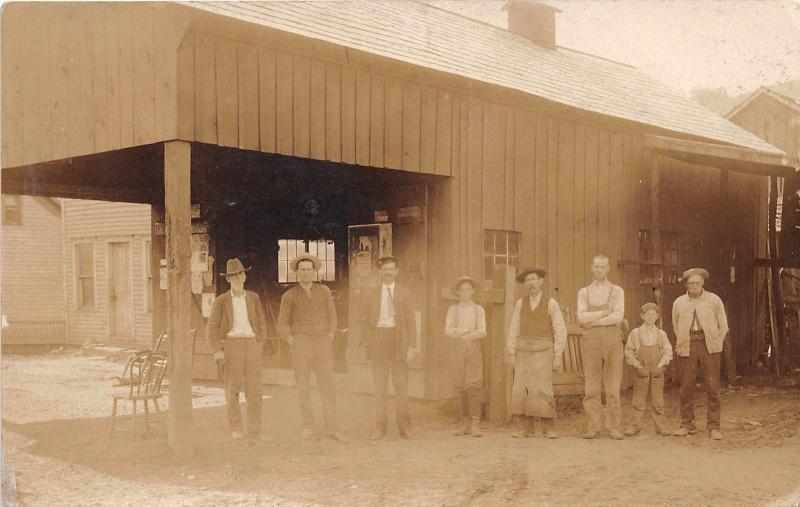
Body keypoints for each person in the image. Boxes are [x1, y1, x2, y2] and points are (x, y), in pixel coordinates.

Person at [277, 253, 346, 442]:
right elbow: (282, 324)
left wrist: (330, 335)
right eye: (302, 270)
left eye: (309, 269)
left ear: (314, 271)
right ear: (297, 273)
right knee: (304, 387)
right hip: (301, 344)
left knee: (327, 386)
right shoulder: (289, 295)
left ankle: (332, 428)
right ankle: (308, 426)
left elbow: (332, 315)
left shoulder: (323, 291)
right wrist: (292, 341)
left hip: (322, 342)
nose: (306, 273)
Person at [206, 258, 269, 441]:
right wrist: (217, 349)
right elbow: (211, 327)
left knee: (255, 390)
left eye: (239, 274)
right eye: (232, 276)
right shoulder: (221, 301)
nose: (237, 278)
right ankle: (236, 428)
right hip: (232, 346)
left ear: (244, 276)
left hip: (252, 345)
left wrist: (260, 341)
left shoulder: (253, 297)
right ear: (228, 279)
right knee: (232, 390)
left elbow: (261, 322)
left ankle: (255, 430)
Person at [361, 256, 420, 440]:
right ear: (380, 272)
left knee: (401, 388)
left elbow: (411, 323)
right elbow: (364, 321)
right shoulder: (371, 293)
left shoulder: (405, 293)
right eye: (384, 270)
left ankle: (405, 428)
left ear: (396, 271)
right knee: (380, 389)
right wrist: (370, 340)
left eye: (391, 269)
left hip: (399, 342)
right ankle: (379, 429)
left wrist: (412, 347)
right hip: (379, 341)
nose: (387, 273)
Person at [506, 267, 567, 439]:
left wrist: (557, 355)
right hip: (523, 349)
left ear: (541, 281)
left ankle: (549, 427)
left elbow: (560, 330)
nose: (531, 283)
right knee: (522, 387)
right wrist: (511, 351)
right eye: (528, 280)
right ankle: (526, 428)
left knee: (542, 387)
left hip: (543, 350)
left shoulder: (551, 303)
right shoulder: (520, 303)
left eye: (533, 279)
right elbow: (514, 328)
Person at [671, 267, 729, 440]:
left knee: (712, 387)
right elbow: (676, 325)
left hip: (708, 346)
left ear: (703, 283)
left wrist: (716, 341)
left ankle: (713, 426)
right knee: (686, 387)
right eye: (690, 284)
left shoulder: (714, 300)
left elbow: (723, 324)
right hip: (688, 345)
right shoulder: (679, 302)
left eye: (697, 283)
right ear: (686, 285)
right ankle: (686, 424)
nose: (694, 287)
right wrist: (684, 339)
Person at [577, 254, 625, 440]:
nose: (598, 270)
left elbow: (618, 317)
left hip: (612, 339)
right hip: (591, 342)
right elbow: (581, 317)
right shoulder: (584, 292)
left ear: (608, 268)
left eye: (602, 267)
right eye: (596, 267)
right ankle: (594, 426)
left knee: (613, 387)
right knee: (591, 386)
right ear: (591, 267)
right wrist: (606, 311)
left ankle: (614, 427)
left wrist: (594, 319)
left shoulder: (617, 291)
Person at [445, 276, 487, 437]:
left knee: (472, 385)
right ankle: (464, 423)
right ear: (458, 292)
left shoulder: (479, 310)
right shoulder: (452, 310)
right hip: (457, 349)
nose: (465, 292)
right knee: (459, 385)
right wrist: (464, 332)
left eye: (468, 289)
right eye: (462, 290)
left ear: (473, 291)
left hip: (473, 348)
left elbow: (483, 331)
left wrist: (464, 334)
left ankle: (475, 424)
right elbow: (448, 330)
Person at [623, 302, 673, 436]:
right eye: (647, 315)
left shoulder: (661, 334)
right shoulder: (635, 333)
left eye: (653, 314)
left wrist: (660, 365)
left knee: (658, 400)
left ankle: (661, 426)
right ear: (642, 316)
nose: (650, 317)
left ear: (657, 316)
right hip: (642, 371)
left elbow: (668, 351)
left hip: (657, 372)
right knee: (638, 400)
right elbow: (628, 351)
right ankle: (635, 426)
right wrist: (637, 366)